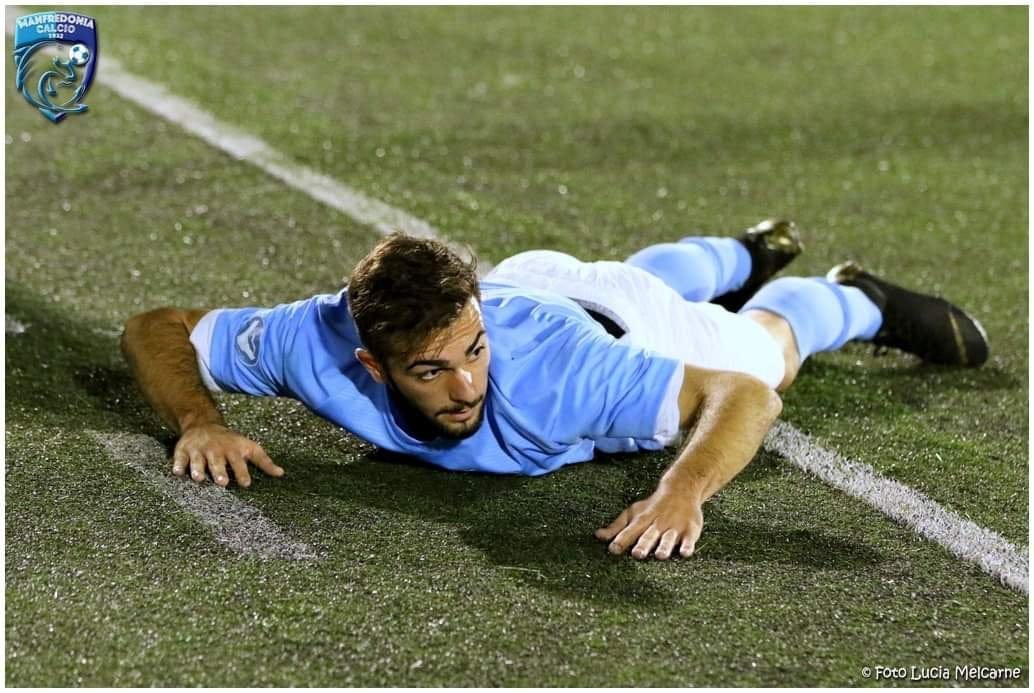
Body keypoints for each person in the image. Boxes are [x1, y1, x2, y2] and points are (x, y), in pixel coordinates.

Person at [120, 220, 989, 561]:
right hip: (541, 283)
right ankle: (742, 249)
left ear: (474, 311)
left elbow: (744, 398)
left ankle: (847, 296)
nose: (467, 384)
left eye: (473, 350)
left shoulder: (567, 380)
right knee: (622, 272)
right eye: (432, 370)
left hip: (621, 326)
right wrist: (199, 419)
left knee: (767, 352)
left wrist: (683, 489)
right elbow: (157, 325)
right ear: (373, 364)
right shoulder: (314, 340)